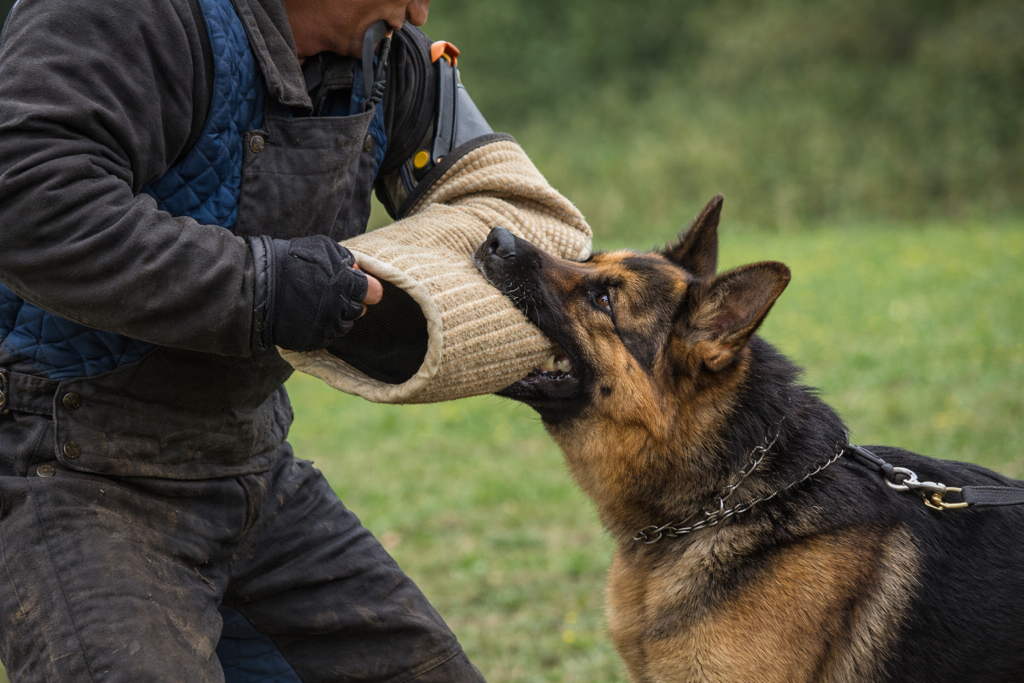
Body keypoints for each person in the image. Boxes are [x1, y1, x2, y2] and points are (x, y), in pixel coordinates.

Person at [0, 0, 586, 680]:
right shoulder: (128, 15)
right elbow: (28, 200)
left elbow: (522, 212)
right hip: (66, 467)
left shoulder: (389, 56)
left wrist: (404, 295)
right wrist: (269, 288)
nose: (421, 8)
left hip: (250, 461)